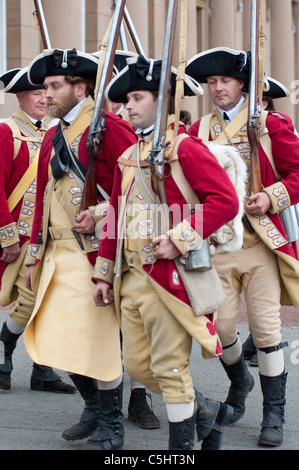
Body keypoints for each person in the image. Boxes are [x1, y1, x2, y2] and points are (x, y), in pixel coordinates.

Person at [91, 54, 241, 450]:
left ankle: (182, 450)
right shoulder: (129, 157)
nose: (129, 107)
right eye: (127, 100)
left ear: (163, 100)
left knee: (171, 371)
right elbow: (116, 217)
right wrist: (104, 273)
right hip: (130, 279)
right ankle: (205, 413)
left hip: (169, 279)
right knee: (138, 365)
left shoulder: (185, 149)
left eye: (138, 97)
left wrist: (181, 236)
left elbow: (225, 201)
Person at [24, 48, 137, 450]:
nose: (47, 94)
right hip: (57, 253)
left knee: (98, 342)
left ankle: (111, 422)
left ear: (81, 87)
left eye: (55, 86)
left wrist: (104, 210)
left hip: (93, 253)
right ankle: (93, 407)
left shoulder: (109, 128)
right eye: (46, 87)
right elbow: (41, 196)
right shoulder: (54, 134)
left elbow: (136, 187)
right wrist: (34, 251)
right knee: (54, 338)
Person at [186, 47, 299, 446]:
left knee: (267, 330)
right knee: (222, 329)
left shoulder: (270, 125)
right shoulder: (196, 132)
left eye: (225, 81)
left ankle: (274, 416)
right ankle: (240, 381)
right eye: (212, 83)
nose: (217, 88)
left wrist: (272, 196)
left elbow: (298, 171)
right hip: (217, 247)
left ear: (242, 86)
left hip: (261, 245)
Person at [0, 66, 75, 394]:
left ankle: (40, 368)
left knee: (46, 300)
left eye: (47, 92)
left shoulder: (55, 134)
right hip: (17, 237)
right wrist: (7, 236)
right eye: (36, 93)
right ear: (20, 97)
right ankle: (7, 353)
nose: (45, 98)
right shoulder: (6, 131)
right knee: (29, 299)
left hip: (47, 236)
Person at [242, 75, 293, 367]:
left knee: (275, 277)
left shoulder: (275, 123)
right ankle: (252, 342)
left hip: (276, 208)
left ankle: (258, 338)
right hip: (253, 216)